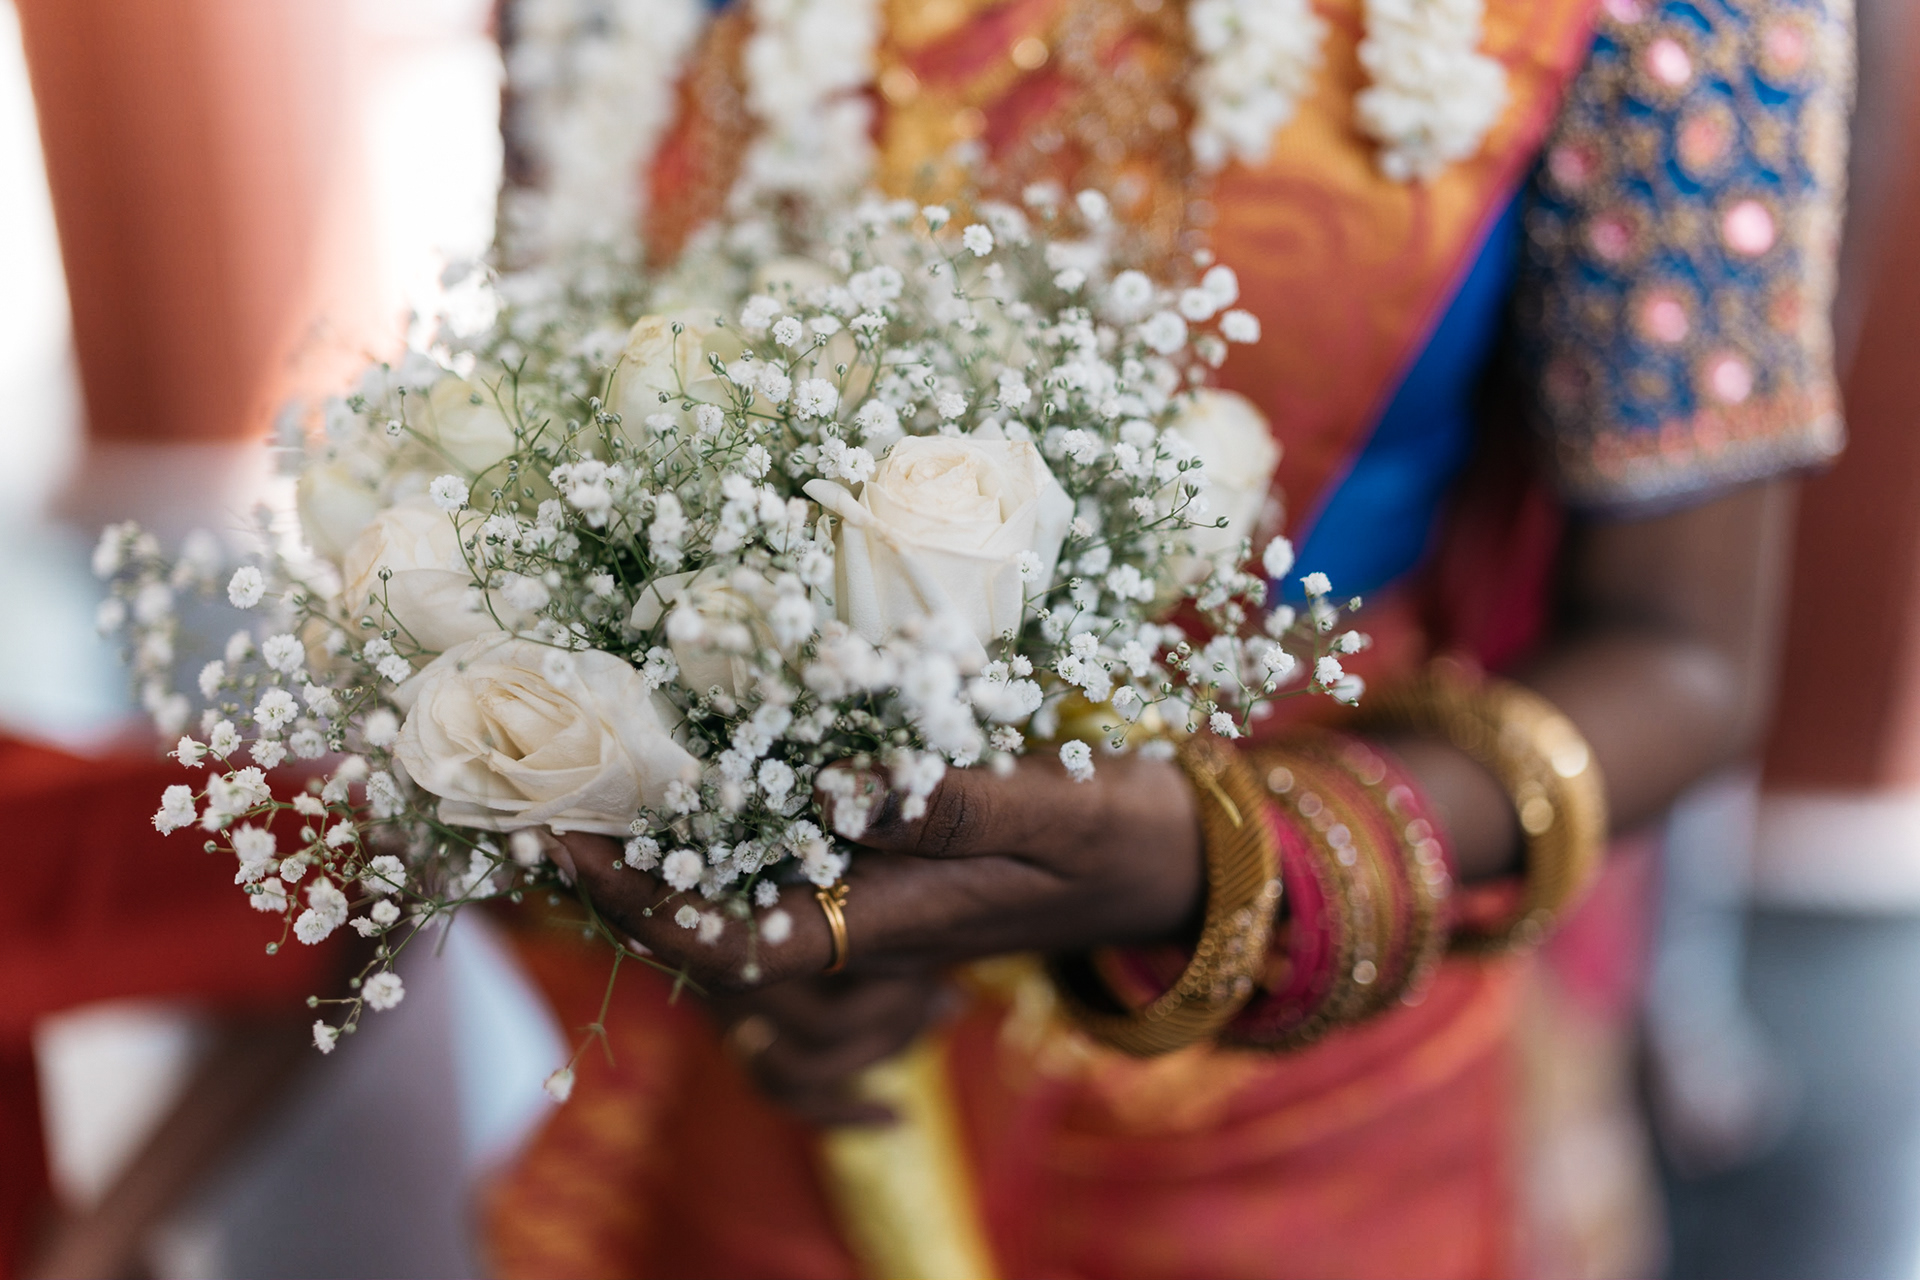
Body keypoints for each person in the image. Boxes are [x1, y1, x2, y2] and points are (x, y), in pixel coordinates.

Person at [480, 0, 1851, 1274]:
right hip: (781, 1049)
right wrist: (701, 875)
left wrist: (1239, 860)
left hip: (1291, 1107)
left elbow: (1687, 659)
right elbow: (553, 435)